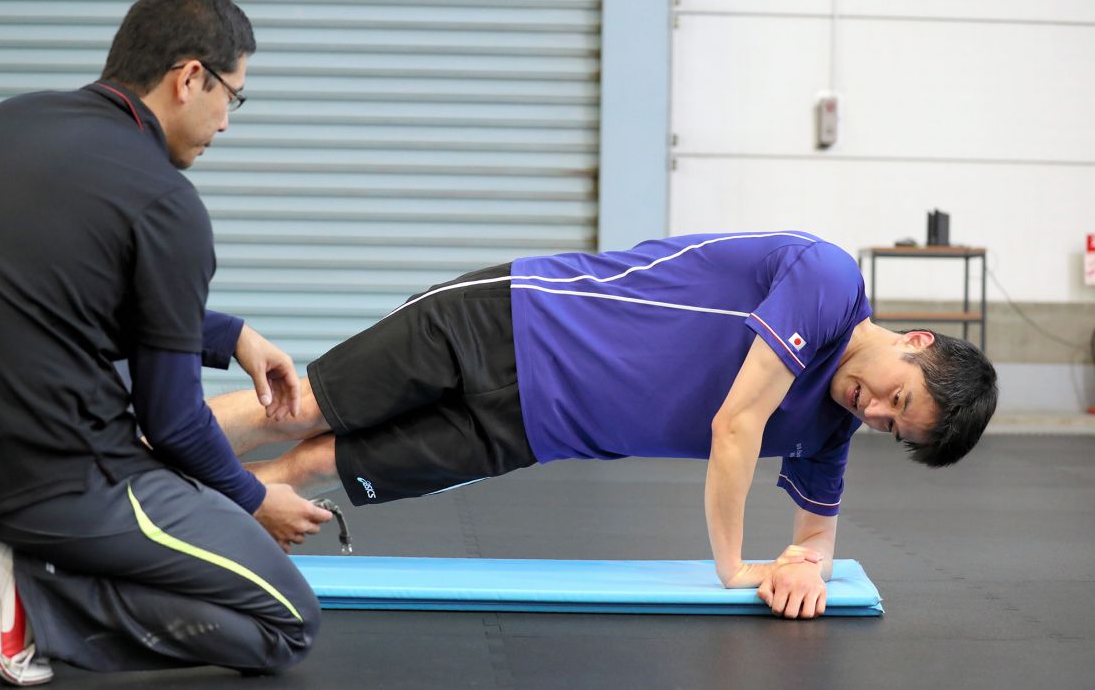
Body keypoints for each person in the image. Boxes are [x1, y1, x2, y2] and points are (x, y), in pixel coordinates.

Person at [210, 231, 998, 621]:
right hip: (511, 320)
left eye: (896, 427)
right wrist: (734, 569)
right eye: (898, 395)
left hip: (527, 431)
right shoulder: (828, 281)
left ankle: (180, 526)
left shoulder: (827, 433)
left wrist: (800, 562)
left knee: (322, 464)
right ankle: (137, 458)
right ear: (916, 342)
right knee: (301, 408)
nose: (877, 412)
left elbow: (818, 536)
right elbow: (735, 425)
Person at [0, 0, 332, 686]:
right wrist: (255, 497)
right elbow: (172, 424)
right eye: (231, 98)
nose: (226, 124)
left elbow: (52, 295)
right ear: (190, 77)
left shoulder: (10, 122)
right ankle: (31, 603)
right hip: (54, 480)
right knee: (287, 623)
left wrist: (226, 333)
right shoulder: (166, 204)